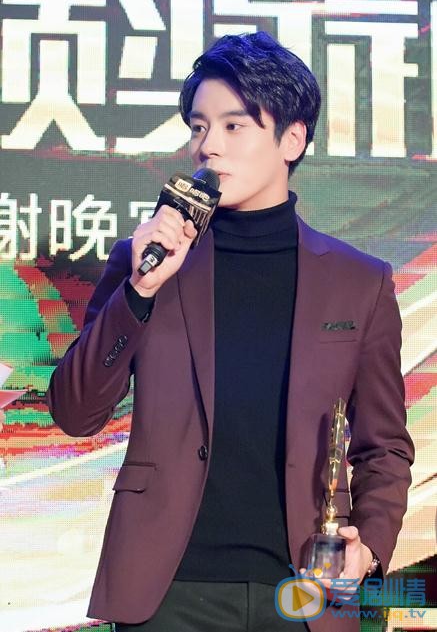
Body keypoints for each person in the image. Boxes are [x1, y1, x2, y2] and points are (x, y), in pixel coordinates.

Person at [47, 32, 414, 632]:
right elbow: (76, 412)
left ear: (292, 139)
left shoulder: (359, 282)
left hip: (306, 591)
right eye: (199, 127)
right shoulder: (148, 261)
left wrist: (368, 548)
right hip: (167, 591)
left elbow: (385, 445)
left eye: (234, 126)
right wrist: (139, 290)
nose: (208, 145)